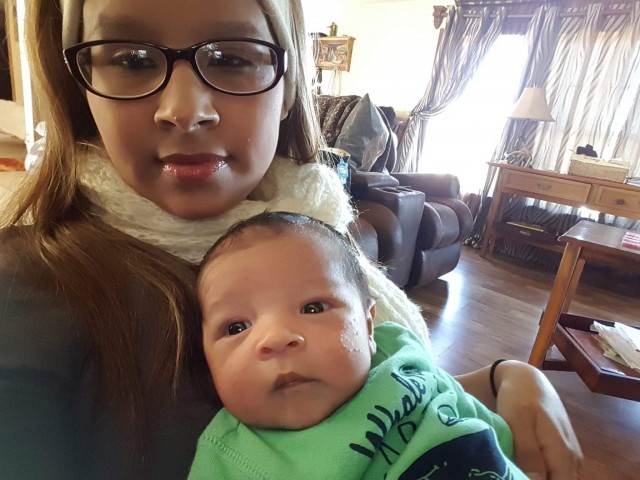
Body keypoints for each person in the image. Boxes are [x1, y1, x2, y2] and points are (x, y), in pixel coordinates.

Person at [0, 0, 581, 479]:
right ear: (82, 87)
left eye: (230, 58)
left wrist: (506, 380)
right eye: (131, 59)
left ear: (288, 85)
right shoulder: (23, 292)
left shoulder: (311, 235)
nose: (184, 110)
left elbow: (379, 403)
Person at [189, 211, 529, 480]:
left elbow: (482, 423)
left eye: (313, 308)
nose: (276, 338)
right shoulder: (227, 458)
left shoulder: (398, 350)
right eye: (236, 327)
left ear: (368, 326)